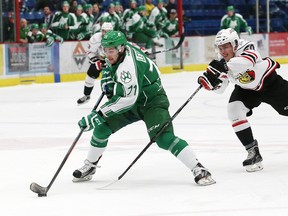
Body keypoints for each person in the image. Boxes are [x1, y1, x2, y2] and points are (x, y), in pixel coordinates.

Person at [72, 30, 216, 186]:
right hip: (133, 96)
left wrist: (98, 114)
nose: (107, 54)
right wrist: (108, 73)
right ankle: (91, 166)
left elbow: (127, 99)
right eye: (105, 50)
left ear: (121, 48)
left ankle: (198, 168)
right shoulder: (125, 48)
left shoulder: (128, 67)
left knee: (163, 138)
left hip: (152, 102)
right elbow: (116, 69)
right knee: (101, 129)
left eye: (111, 50)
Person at [198, 28, 288, 172]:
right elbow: (221, 88)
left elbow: (248, 61)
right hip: (247, 90)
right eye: (220, 48)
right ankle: (253, 151)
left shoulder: (247, 46)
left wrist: (224, 67)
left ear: (234, 44)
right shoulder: (222, 60)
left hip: (270, 84)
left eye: (226, 46)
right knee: (234, 110)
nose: (223, 51)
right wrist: (211, 84)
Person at [76, 22, 114, 105]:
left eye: (108, 31)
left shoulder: (116, 38)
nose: (106, 33)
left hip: (114, 61)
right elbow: (89, 51)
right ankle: (86, 95)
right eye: (104, 31)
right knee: (90, 74)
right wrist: (95, 59)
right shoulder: (96, 37)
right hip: (100, 59)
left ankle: (115, 98)